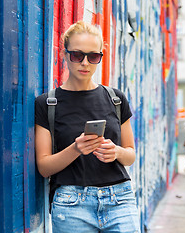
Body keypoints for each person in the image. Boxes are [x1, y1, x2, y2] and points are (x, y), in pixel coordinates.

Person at [35, 21, 140, 232]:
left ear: (100, 56)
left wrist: (116, 151)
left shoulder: (116, 99)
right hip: (71, 204)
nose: (85, 63)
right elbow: (44, 167)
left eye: (93, 56)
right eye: (77, 55)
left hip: (120, 199)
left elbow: (130, 155)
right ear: (65, 54)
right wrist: (76, 149)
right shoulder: (47, 103)